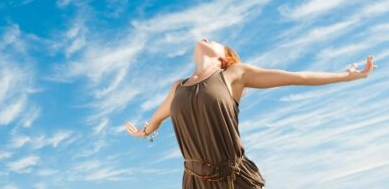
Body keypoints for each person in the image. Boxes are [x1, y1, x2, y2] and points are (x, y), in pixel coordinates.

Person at [125, 38, 376, 188]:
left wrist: (348, 76)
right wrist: (142, 133)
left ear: (224, 57)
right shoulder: (177, 88)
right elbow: (156, 119)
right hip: (195, 182)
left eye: (213, 40)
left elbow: (297, 77)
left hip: (236, 180)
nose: (205, 38)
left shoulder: (234, 75)